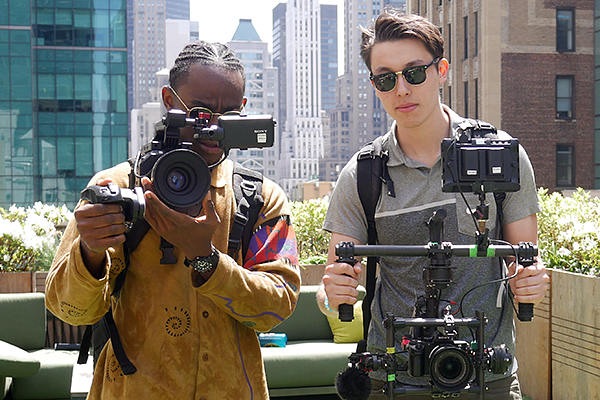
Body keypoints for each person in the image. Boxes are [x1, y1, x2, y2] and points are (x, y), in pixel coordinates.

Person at [46, 41, 301, 400]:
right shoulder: (117, 187)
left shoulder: (261, 198)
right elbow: (69, 310)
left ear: (244, 111)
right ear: (169, 100)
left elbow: (277, 307)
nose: (212, 126)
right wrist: (89, 252)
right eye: (200, 112)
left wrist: (207, 259)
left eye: (227, 113)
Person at [316, 12, 549, 400]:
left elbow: (524, 263)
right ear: (375, 86)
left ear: (441, 71)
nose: (402, 90)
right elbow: (335, 278)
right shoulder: (362, 174)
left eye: (414, 73)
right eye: (386, 78)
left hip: (486, 379)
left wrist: (531, 283)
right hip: (390, 379)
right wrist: (331, 295)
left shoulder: (500, 155)